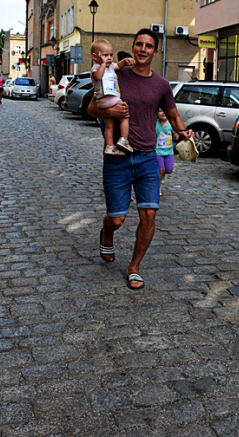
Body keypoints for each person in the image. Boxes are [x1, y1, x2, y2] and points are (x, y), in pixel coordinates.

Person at [88, 28, 194, 291]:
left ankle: (134, 267)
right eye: (139, 44)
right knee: (117, 218)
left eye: (148, 46)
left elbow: (173, 114)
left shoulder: (162, 85)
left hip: (148, 157)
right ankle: (107, 233)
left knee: (148, 213)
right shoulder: (116, 73)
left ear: (155, 52)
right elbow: (91, 107)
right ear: (133, 47)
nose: (143, 49)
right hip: (118, 157)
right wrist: (111, 109)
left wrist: (183, 131)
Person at [91, 39, 134, 156]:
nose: (109, 58)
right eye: (105, 55)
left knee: (109, 126)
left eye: (110, 55)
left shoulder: (111, 66)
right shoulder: (97, 67)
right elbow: (98, 77)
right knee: (125, 116)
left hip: (104, 101)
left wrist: (125, 61)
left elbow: (119, 65)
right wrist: (103, 64)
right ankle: (123, 140)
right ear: (95, 56)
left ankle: (110, 146)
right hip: (108, 98)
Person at [156, 109, 179, 196]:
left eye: (164, 110)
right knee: (160, 169)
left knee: (169, 170)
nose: (163, 112)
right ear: (157, 113)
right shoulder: (155, 124)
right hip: (158, 151)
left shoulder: (171, 124)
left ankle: (162, 175)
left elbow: (175, 131)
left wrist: (176, 134)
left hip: (169, 151)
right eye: (160, 111)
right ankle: (158, 187)